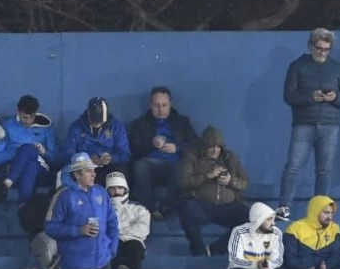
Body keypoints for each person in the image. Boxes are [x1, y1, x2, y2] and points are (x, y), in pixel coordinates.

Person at [277, 29, 340, 217]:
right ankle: (284, 206)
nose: (322, 53)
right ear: (310, 46)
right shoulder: (297, 66)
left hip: (330, 125)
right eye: (319, 49)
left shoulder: (337, 67)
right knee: (293, 167)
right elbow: (289, 95)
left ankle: (321, 210)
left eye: (327, 50)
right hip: (304, 123)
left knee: (324, 170)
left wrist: (335, 97)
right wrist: (310, 97)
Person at [45, 153, 119, 269]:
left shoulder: (100, 192)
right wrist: (78, 231)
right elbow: (50, 227)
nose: (94, 174)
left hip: (102, 260)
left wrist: (111, 249)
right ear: (77, 175)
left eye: (93, 170)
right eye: (88, 171)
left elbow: (112, 221)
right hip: (75, 262)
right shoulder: (63, 196)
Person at [177, 126, 249, 259]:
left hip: (228, 207)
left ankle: (215, 249)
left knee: (251, 217)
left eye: (218, 146)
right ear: (204, 146)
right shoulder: (192, 157)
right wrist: (207, 175)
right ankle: (198, 251)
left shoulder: (231, 158)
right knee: (186, 208)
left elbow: (244, 183)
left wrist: (230, 181)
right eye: (211, 147)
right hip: (203, 206)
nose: (215, 150)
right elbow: (184, 182)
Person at [127, 86, 198, 217]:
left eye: (164, 105)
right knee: (140, 166)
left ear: (170, 104)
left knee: (182, 167)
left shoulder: (182, 122)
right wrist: (151, 144)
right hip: (150, 163)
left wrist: (177, 147)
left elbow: (196, 145)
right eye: (156, 105)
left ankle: (165, 209)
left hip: (176, 162)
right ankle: (148, 211)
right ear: (150, 105)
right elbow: (132, 150)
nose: (160, 110)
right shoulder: (139, 124)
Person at [65, 96, 130, 181]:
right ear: (88, 113)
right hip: (85, 166)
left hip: (110, 166)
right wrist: (87, 160)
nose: (98, 124)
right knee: (69, 171)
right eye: (95, 121)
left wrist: (111, 158)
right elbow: (68, 153)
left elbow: (125, 154)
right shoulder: (76, 127)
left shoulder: (116, 126)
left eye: (100, 121)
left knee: (121, 170)